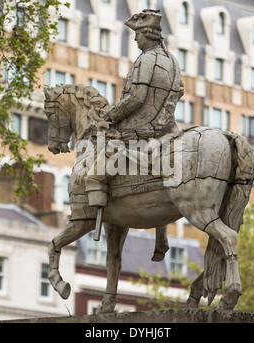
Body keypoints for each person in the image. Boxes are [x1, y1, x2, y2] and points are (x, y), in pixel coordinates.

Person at [84, 9, 184, 261]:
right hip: (167, 129)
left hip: (139, 129)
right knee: (162, 174)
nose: (135, 40)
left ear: (148, 35)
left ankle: (95, 209)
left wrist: (109, 117)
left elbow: (136, 99)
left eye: (137, 34)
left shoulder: (146, 61)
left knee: (98, 158)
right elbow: (178, 93)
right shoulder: (172, 60)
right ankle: (162, 235)